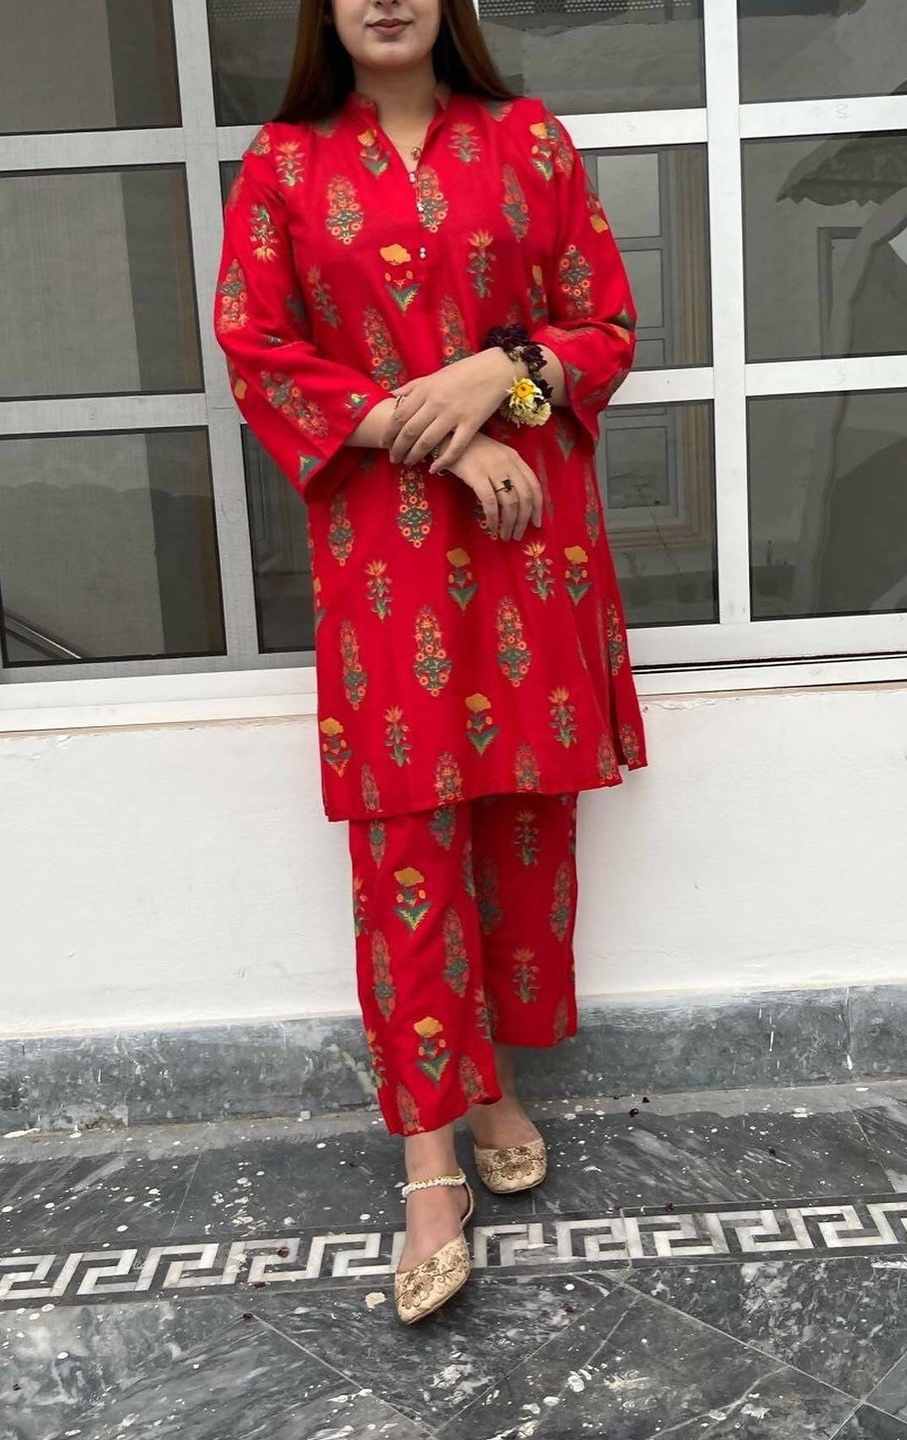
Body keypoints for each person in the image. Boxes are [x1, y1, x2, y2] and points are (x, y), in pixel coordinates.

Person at [214, 0, 647, 1323]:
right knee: (405, 834)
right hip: (383, 549)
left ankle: (493, 1081)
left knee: (519, 817)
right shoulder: (283, 166)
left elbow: (602, 327)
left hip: (523, 541)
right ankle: (426, 1165)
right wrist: (450, 425)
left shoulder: (527, 141)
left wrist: (499, 377)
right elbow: (258, 350)